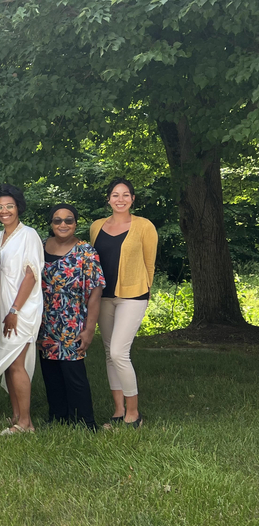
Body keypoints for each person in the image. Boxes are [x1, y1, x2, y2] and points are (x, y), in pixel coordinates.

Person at [89, 178, 157, 429]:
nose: (120, 199)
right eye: (115, 195)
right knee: (109, 354)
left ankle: (134, 413)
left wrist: (146, 294)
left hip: (133, 295)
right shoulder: (96, 226)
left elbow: (150, 264)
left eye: (125, 194)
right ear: (108, 199)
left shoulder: (144, 226)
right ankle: (118, 411)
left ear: (133, 199)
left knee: (119, 352)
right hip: (103, 296)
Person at [0, 184, 43, 435]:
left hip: (21, 309)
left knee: (16, 363)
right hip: (1, 309)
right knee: (7, 363)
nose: (4, 211)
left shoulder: (29, 235)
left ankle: (26, 423)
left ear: (18, 208)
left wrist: (15, 310)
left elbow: (31, 275)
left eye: (9, 206)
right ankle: (16, 416)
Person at [39, 204, 105, 430]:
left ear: (76, 223)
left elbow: (96, 291)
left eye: (68, 220)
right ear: (51, 224)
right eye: (57, 220)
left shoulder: (86, 252)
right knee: (50, 371)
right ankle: (58, 417)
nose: (63, 224)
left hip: (72, 320)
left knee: (73, 372)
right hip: (45, 319)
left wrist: (89, 329)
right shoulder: (40, 247)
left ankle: (85, 421)